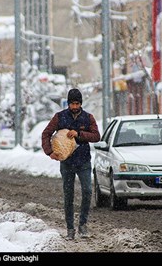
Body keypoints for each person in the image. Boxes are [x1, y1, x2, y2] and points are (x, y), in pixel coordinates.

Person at [41, 88, 101, 240]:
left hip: (84, 161)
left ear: (81, 103)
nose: (74, 106)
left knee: (87, 191)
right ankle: (70, 229)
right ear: (68, 103)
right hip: (66, 162)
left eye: (77, 103)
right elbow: (46, 133)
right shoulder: (59, 117)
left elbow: (96, 136)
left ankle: (83, 225)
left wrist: (79, 134)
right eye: (72, 103)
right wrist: (50, 152)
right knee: (69, 195)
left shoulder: (88, 118)